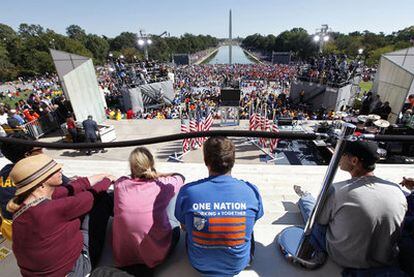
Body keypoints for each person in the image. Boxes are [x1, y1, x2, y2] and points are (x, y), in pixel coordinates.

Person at [294, 141, 407, 274]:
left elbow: (320, 222)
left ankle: (305, 197)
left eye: (342, 154)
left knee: (313, 216)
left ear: (354, 161)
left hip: (345, 258)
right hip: (384, 258)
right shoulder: (396, 190)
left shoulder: (337, 190)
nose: (338, 158)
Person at [7, 154, 115, 276]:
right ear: (42, 182)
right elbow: (90, 197)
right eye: (54, 170)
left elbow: (72, 188)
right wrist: (108, 180)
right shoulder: (52, 209)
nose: (60, 170)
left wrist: (100, 176)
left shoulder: (23, 206)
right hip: (73, 271)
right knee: (101, 201)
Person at [175, 136, 263, 276]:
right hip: (237, 265)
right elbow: (253, 222)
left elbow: (184, 227)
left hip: (199, 264)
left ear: (205, 161)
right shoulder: (251, 191)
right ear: (233, 161)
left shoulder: (187, 192)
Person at [112, 147, 184, 275]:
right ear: (151, 165)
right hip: (155, 256)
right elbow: (180, 176)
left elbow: (123, 177)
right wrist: (158, 174)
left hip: (124, 256)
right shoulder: (161, 184)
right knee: (174, 195)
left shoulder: (119, 185)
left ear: (131, 167)